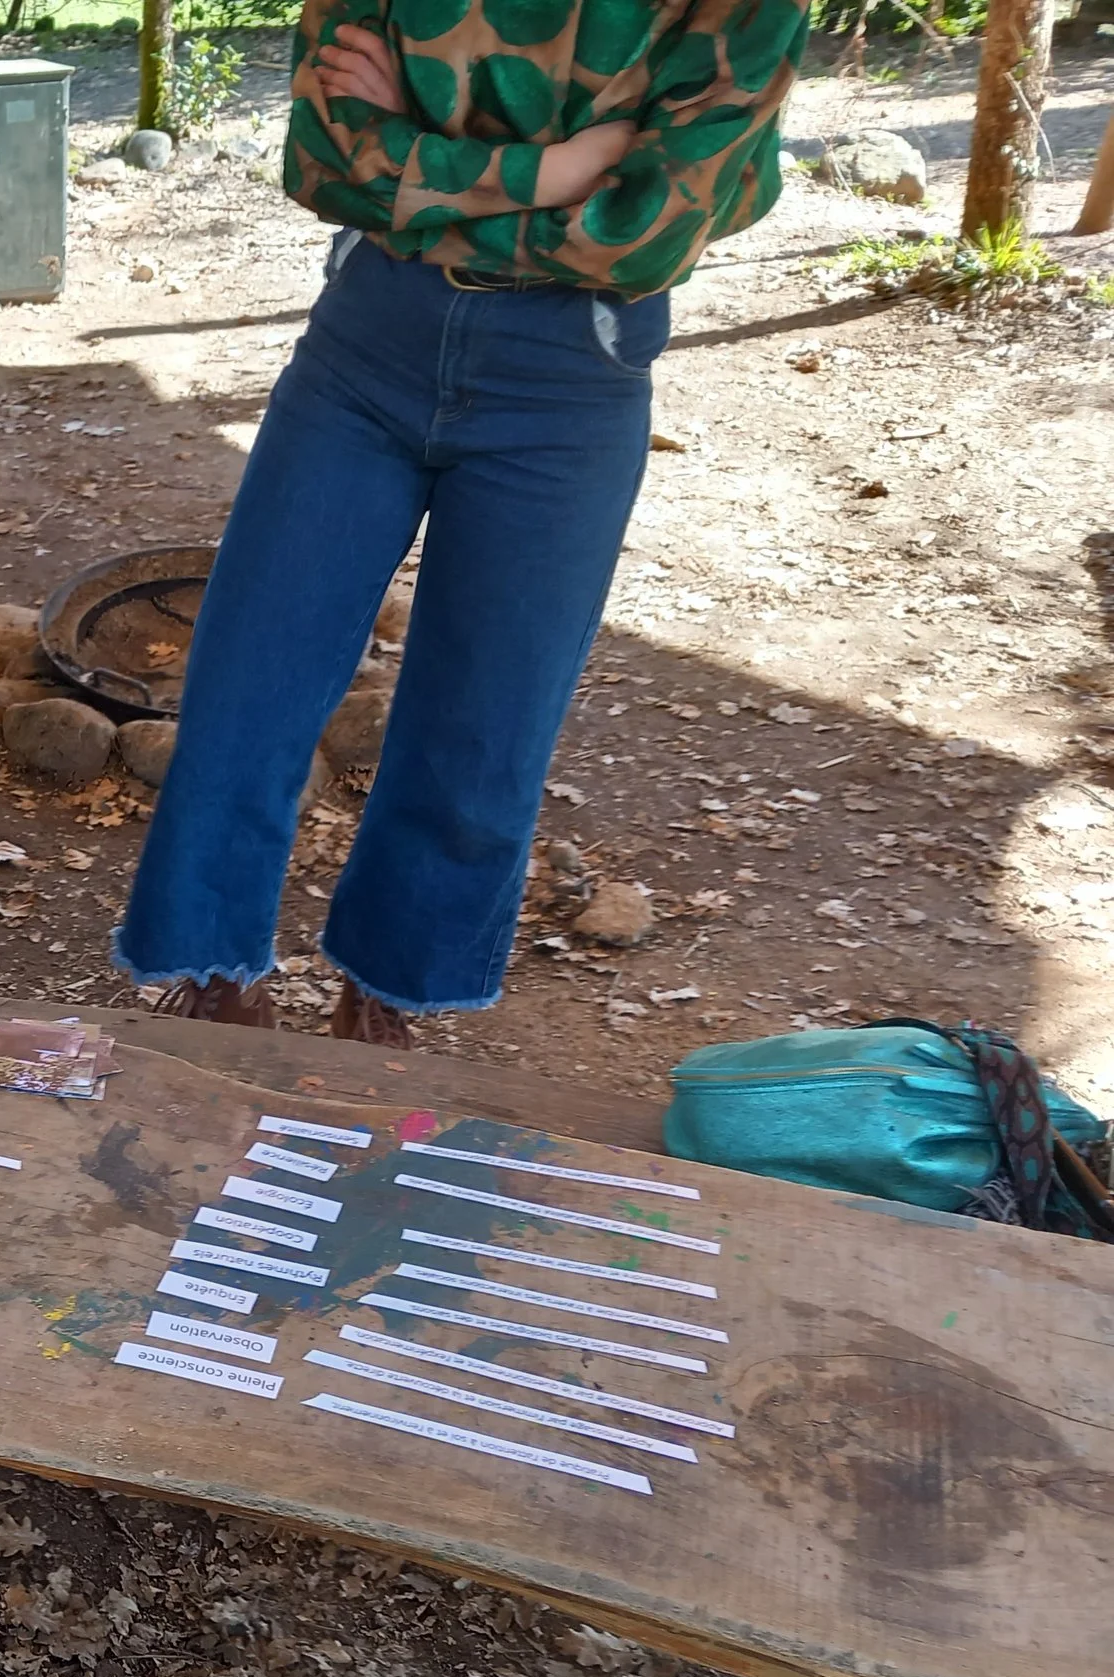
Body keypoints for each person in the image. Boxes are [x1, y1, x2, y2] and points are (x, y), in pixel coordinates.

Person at [115, 0, 809, 1042]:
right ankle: (213, 973)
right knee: (245, 685)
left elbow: (646, 228)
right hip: (368, 343)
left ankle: (386, 999)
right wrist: (566, 165)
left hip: (568, 375)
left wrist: (424, 157)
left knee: (486, 726)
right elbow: (324, 158)